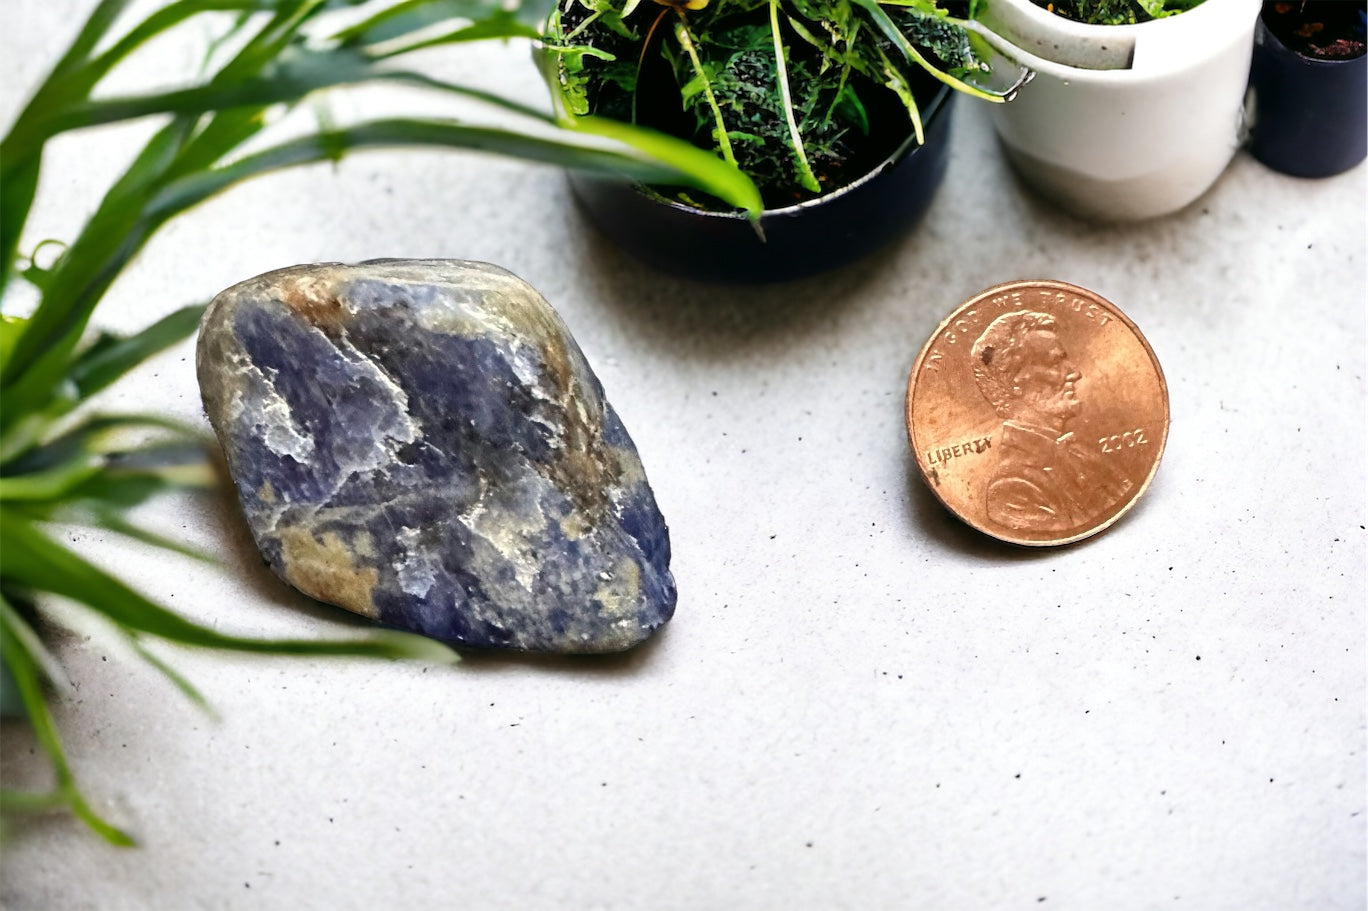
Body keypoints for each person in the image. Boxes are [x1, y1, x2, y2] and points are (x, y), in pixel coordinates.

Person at [970, 310, 1132, 534]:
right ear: (1012, 382)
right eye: (1056, 362)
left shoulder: (1082, 456)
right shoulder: (1013, 489)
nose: (1074, 373)